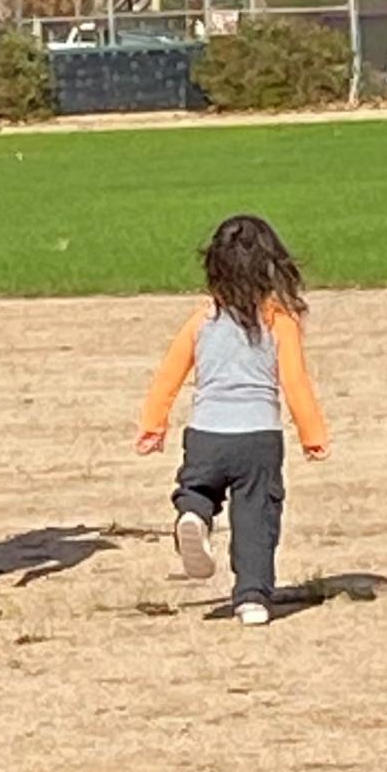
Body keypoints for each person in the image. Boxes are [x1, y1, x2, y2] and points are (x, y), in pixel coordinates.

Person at [135, 214, 331, 626]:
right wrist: (313, 435)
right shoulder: (280, 320)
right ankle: (252, 598)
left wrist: (153, 425)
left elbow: (169, 374)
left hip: (206, 433)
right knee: (256, 515)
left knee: (198, 486)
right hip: (259, 437)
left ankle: (194, 513)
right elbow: (295, 381)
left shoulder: (202, 319)